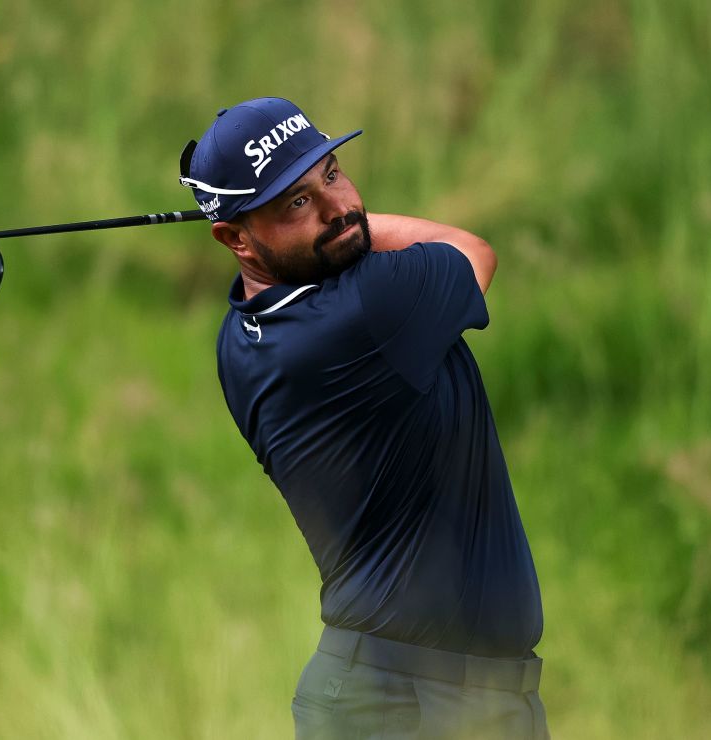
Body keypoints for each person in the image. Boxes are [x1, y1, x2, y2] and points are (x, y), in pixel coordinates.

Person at [181, 97, 549, 739]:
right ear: (236, 238)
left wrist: (321, 223)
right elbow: (470, 250)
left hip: (400, 693)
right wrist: (352, 226)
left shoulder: (241, 335)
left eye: (331, 174)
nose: (335, 206)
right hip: (422, 703)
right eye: (295, 202)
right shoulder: (364, 313)